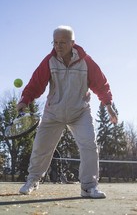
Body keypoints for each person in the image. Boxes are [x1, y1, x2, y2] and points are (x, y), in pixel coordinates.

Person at [16, 25, 118, 198]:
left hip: (80, 112)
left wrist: (108, 105)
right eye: (55, 42)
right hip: (53, 113)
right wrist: (24, 100)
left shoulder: (86, 62)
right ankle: (32, 180)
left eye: (62, 42)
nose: (58, 46)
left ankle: (88, 187)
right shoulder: (49, 61)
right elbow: (36, 83)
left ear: (72, 43)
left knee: (89, 146)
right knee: (41, 148)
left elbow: (101, 84)